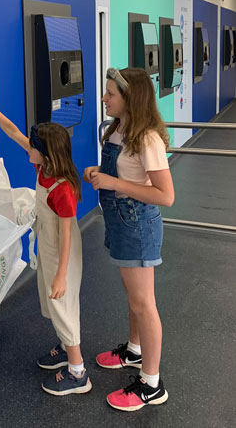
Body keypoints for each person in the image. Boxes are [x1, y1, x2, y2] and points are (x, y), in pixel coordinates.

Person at [0, 95, 91, 397]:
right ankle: (66, 349)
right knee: (51, 300)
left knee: (62, 304)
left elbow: (65, 235)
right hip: (48, 245)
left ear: (47, 153)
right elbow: (12, 131)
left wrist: (62, 273)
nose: (29, 149)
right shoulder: (44, 168)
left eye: (33, 147)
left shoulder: (61, 189)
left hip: (61, 250)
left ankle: (78, 372)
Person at [83, 67, 174, 412]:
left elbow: (166, 196)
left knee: (143, 302)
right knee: (134, 296)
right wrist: (99, 173)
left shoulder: (147, 138)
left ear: (130, 99)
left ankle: (152, 383)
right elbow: (121, 172)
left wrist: (114, 184)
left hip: (136, 223)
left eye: (110, 94)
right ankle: (135, 351)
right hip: (120, 221)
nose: (104, 99)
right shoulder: (119, 129)